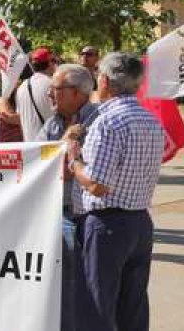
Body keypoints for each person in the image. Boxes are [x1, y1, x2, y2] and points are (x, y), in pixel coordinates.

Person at [66, 52, 164, 331]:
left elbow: (97, 184)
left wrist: (74, 161)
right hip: (140, 220)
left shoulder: (107, 122)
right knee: (133, 306)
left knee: (97, 305)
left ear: (105, 81)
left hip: (107, 224)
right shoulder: (151, 119)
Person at [40, 64, 99, 331]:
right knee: (60, 285)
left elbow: (85, 172)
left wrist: (63, 159)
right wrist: (64, 142)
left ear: (76, 93)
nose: (50, 94)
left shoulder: (98, 122)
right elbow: (39, 165)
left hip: (84, 216)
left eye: (56, 89)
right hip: (54, 213)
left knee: (82, 286)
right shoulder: (53, 123)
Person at [11, 48, 57, 141]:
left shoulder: (22, 87)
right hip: (50, 146)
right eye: (54, 61)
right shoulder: (54, 85)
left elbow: (20, 117)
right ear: (50, 63)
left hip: (30, 146)